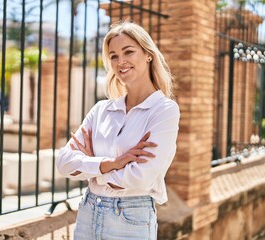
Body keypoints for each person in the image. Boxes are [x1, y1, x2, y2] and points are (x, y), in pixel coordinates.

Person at [56, 20, 180, 240]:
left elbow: (141, 178)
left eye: (128, 52)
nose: (120, 61)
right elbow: (64, 163)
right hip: (88, 211)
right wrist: (112, 164)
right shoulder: (101, 109)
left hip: (131, 217)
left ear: (148, 54)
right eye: (113, 56)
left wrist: (91, 168)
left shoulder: (164, 110)